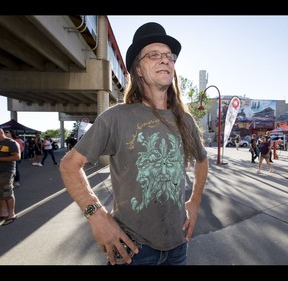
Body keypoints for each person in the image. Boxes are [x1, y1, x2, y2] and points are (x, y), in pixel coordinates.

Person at [59, 22, 208, 266]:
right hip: (132, 250)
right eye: (154, 55)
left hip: (179, 245)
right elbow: (69, 165)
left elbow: (202, 161)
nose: (165, 60)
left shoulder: (185, 120)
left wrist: (194, 201)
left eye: (169, 56)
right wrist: (96, 216)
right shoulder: (116, 117)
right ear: (138, 69)